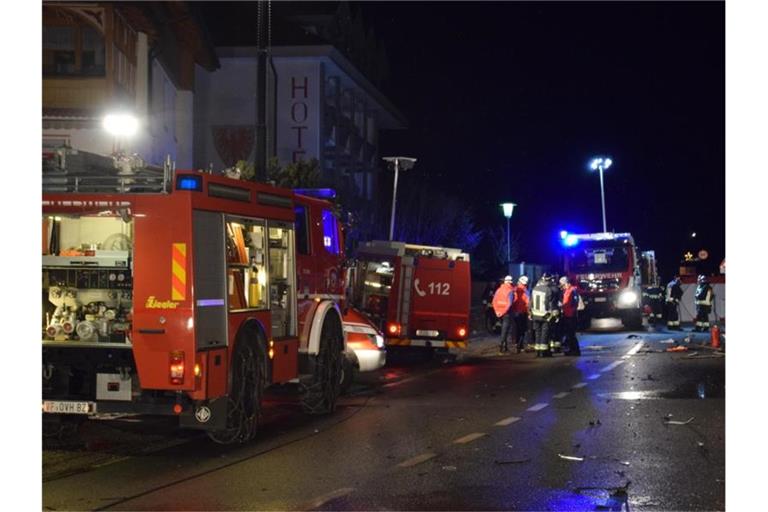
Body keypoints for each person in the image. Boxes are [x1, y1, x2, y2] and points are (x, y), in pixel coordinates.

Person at [530, 273, 559, 357]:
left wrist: (530, 312)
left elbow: (531, 302)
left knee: (537, 332)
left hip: (535, 314)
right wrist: (554, 314)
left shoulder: (535, 289)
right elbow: (549, 304)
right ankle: (543, 352)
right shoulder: (548, 290)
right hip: (544, 315)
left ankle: (538, 351)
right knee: (545, 333)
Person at [491, 275, 516, 353]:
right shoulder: (510, 291)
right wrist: (503, 311)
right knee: (505, 330)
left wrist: (497, 311)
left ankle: (504, 346)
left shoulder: (498, 290)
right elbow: (509, 303)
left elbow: (494, 301)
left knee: (503, 329)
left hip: (499, 313)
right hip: (507, 313)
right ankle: (503, 347)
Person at [558, 276, 581, 356]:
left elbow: (574, 303)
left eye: (563, 285)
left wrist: (566, 307)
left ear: (566, 283)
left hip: (571, 315)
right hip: (567, 314)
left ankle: (576, 350)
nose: (562, 287)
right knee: (569, 334)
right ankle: (572, 349)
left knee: (571, 334)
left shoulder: (572, 290)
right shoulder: (567, 291)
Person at [511, 275, 530, 353]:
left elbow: (512, 301)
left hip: (515, 312)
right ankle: (520, 346)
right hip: (523, 312)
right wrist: (529, 312)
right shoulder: (525, 291)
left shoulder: (514, 289)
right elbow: (528, 302)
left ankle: (516, 344)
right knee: (522, 330)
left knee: (516, 329)